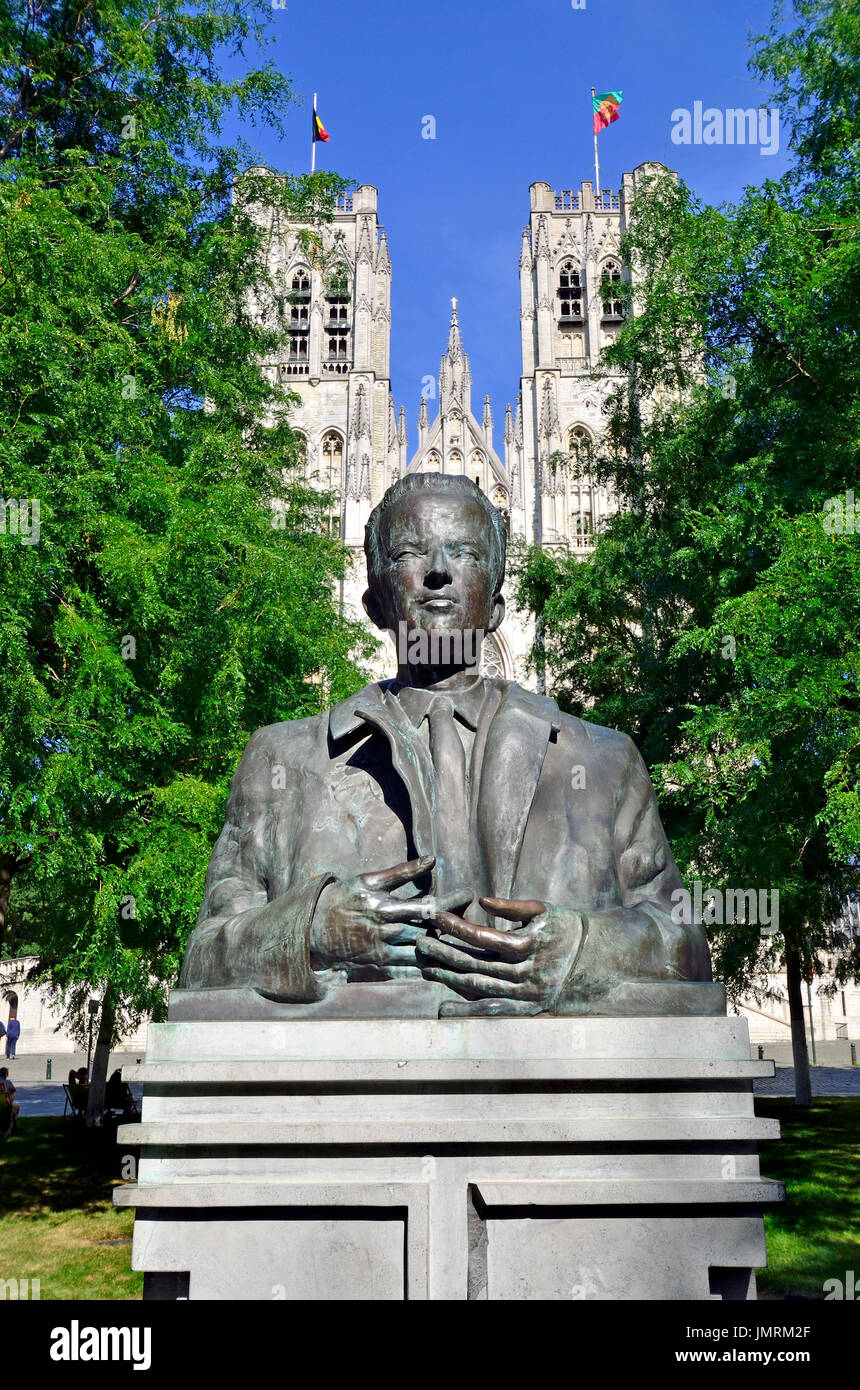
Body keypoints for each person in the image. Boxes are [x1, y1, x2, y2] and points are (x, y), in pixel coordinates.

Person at [179, 473, 710, 1015]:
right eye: (411, 551)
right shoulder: (282, 759)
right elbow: (204, 954)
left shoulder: (603, 761)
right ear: (374, 603)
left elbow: (683, 941)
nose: (438, 571)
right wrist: (307, 929)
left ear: (498, 606)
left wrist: (582, 950)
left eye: (465, 553)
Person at [0, 1066, 19, 1138]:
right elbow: (13, 1090)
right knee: (16, 1107)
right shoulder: (8, 1082)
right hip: (6, 1105)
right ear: (6, 1074)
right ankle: (10, 1130)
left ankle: (14, 1128)